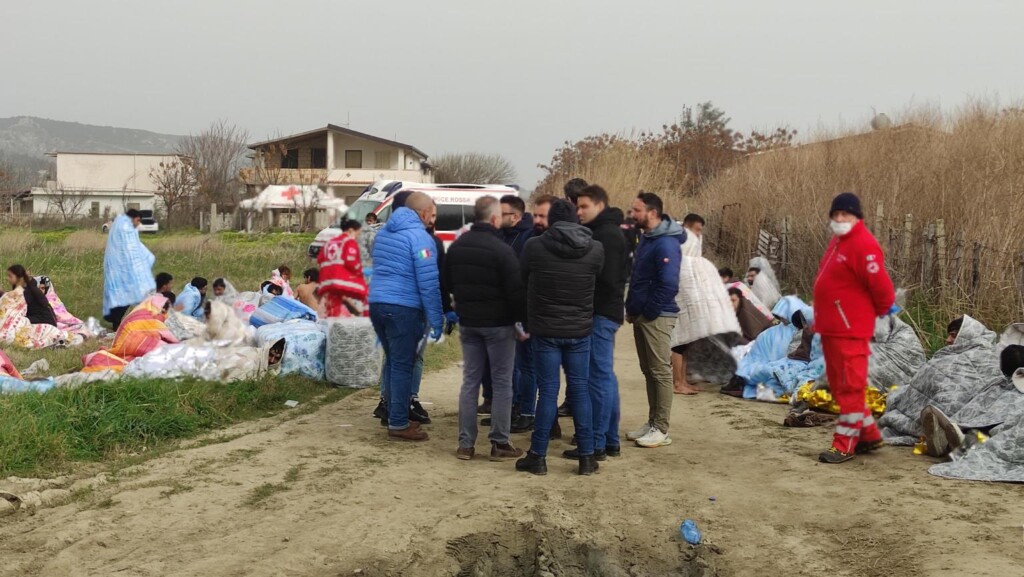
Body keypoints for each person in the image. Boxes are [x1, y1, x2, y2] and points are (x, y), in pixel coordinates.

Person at [516, 199, 604, 476]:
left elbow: (523, 278)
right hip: (579, 331)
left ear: (551, 220)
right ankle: (587, 458)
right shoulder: (595, 249)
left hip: (545, 330)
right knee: (579, 390)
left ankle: (538, 456)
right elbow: (598, 279)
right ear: (577, 220)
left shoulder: (534, 246)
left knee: (548, 391)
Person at [813, 192, 896, 463]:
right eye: (835, 214)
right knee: (840, 386)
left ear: (857, 217)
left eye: (845, 214)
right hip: (833, 326)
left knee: (849, 386)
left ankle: (844, 443)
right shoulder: (838, 241)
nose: (839, 219)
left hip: (850, 328)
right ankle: (869, 434)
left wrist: (881, 312)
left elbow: (882, 287)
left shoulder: (863, 245)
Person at [446, 197, 527, 461]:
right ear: (494, 218)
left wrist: (458, 307)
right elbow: (515, 292)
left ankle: (465, 444)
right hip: (499, 325)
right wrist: (521, 321)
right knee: (502, 382)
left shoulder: (457, 246)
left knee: (470, 382)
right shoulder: (502, 250)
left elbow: (445, 281)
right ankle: (499, 442)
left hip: (469, 323)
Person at [369, 191, 444, 442]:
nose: (431, 219)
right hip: (403, 308)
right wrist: (436, 318)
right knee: (403, 365)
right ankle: (399, 423)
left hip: (378, 304)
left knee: (393, 361)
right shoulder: (421, 239)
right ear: (423, 213)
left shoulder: (384, 233)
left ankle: (393, 412)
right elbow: (428, 282)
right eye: (431, 214)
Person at [571, 184, 628, 460]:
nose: (579, 212)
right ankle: (609, 439)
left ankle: (596, 443)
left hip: (600, 313)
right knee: (605, 375)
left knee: (597, 376)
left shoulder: (606, 235)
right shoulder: (603, 232)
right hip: (603, 312)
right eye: (577, 207)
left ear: (599, 206)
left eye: (584, 207)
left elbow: (603, 279)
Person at [625, 192, 684, 448]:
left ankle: (661, 428)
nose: (632, 214)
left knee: (660, 371)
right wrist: (632, 308)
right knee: (649, 371)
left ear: (652, 212)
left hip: (658, 316)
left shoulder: (666, 243)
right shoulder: (647, 239)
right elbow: (639, 278)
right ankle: (652, 423)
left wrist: (649, 311)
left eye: (636, 210)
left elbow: (669, 284)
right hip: (644, 314)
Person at [499, 194, 538, 433]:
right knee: (510, 364)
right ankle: (512, 406)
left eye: (502, 213)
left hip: (524, 308)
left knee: (527, 363)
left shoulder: (528, 237)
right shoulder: (502, 234)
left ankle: (527, 411)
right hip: (506, 307)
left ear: (515, 216)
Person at [670, 213, 709, 396]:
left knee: (686, 342)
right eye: (697, 229)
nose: (699, 233)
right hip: (680, 297)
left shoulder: (693, 243)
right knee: (678, 341)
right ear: (688, 226)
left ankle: (683, 380)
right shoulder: (681, 242)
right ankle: (677, 383)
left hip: (690, 297)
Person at [103, 209, 156, 331]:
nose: (138, 223)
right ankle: (119, 322)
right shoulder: (124, 230)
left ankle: (118, 321)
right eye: (138, 220)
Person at [318, 219, 368, 317]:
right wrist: (361, 272)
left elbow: (320, 259)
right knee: (366, 293)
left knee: (333, 301)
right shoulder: (349, 241)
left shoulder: (329, 242)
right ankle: (367, 321)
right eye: (358, 234)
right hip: (340, 280)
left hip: (326, 281)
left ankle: (332, 320)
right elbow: (351, 262)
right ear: (351, 231)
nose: (357, 237)